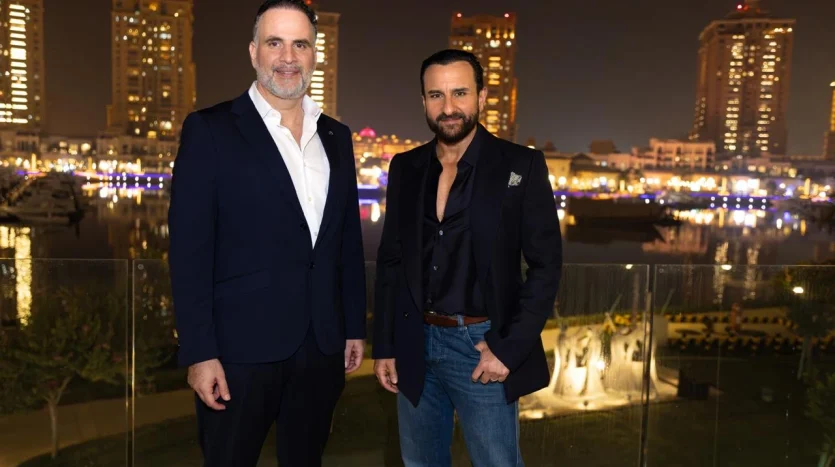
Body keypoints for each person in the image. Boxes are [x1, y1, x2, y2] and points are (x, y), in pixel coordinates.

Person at [167, 1, 366, 465]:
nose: (288, 57)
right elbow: (189, 253)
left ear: (315, 54)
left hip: (321, 347)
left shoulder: (336, 137)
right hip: (237, 353)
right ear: (254, 51)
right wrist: (199, 352)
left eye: (301, 44)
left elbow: (346, 244)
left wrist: (354, 327)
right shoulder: (210, 129)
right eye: (275, 43)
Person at [372, 49, 563, 466]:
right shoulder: (405, 167)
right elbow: (391, 263)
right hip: (415, 343)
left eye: (459, 93)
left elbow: (546, 266)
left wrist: (507, 349)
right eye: (436, 95)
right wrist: (385, 345)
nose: (448, 107)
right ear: (423, 101)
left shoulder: (521, 165)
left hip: (481, 348)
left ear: (482, 96)